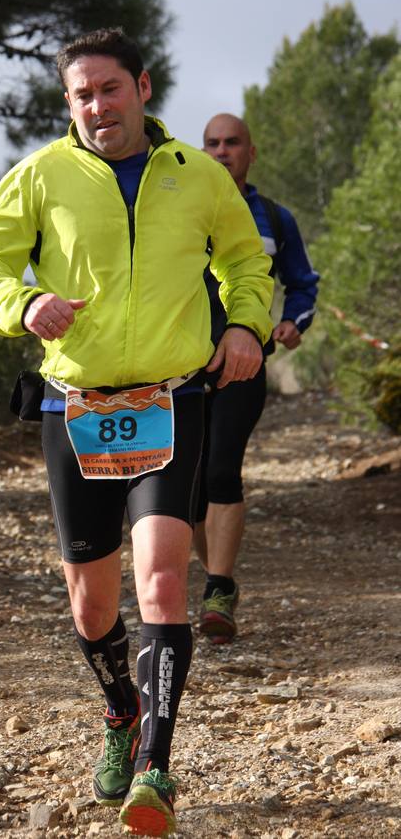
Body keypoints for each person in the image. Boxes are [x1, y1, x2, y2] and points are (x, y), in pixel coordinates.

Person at [0, 30, 273, 838]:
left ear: (143, 86)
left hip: (173, 402)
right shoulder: (40, 177)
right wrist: (22, 305)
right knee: (91, 603)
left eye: (110, 89)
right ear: (71, 105)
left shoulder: (197, 176)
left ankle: (156, 770)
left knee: (163, 582)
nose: (98, 106)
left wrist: (244, 326)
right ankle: (121, 711)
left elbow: (245, 262)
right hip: (76, 410)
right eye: (82, 95)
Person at [194, 113, 319, 645]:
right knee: (188, 484)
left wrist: (293, 321)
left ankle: (219, 588)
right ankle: (211, 575)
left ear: (251, 152)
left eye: (232, 143)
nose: (222, 152)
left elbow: (302, 283)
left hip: (245, 363)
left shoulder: (273, 217)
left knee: (222, 470)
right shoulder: (183, 208)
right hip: (179, 366)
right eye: (212, 144)